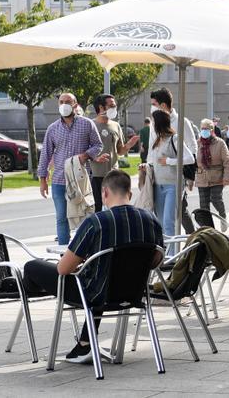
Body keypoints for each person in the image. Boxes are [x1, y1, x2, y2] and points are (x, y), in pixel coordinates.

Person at [22, 172, 163, 364]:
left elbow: (63, 269)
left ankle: (23, 288)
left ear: (105, 193)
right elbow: (155, 260)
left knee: (32, 267)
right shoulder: (151, 220)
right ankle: (84, 344)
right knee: (101, 276)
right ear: (130, 194)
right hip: (134, 293)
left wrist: (86, 260)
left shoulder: (96, 222)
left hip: (96, 295)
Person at [38, 93, 107, 245]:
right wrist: (42, 179)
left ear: (75, 104)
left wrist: (86, 155)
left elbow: (98, 144)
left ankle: (82, 251)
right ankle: (64, 254)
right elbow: (45, 154)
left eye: (68, 102)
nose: (64, 104)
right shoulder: (53, 129)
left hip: (81, 179)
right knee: (62, 218)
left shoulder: (87, 124)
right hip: (59, 180)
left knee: (83, 216)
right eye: (61, 102)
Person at [143, 109, 194, 237]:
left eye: (153, 122)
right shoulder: (157, 140)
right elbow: (154, 161)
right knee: (160, 223)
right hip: (158, 185)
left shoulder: (175, 139)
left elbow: (190, 159)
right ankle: (164, 253)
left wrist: (169, 161)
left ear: (159, 123)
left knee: (168, 222)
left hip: (173, 186)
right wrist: (146, 166)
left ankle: (171, 255)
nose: (152, 125)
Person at [90, 94, 139, 213]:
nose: (114, 108)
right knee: (97, 209)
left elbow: (120, 150)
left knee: (115, 208)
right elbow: (83, 150)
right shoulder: (90, 125)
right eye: (111, 106)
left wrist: (129, 145)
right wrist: (95, 158)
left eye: (115, 106)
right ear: (101, 108)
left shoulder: (116, 125)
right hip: (96, 175)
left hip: (113, 175)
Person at [192, 118, 229, 222]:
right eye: (202, 128)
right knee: (204, 206)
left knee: (216, 199)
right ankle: (208, 228)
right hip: (202, 177)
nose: (204, 131)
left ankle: (223, 216)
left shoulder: (220, 143)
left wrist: (227, 177)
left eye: (206, 128)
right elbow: (192, 162)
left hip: (217, 177)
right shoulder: (197, 144)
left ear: (211, 130)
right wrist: (190, 179)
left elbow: (227, 161)